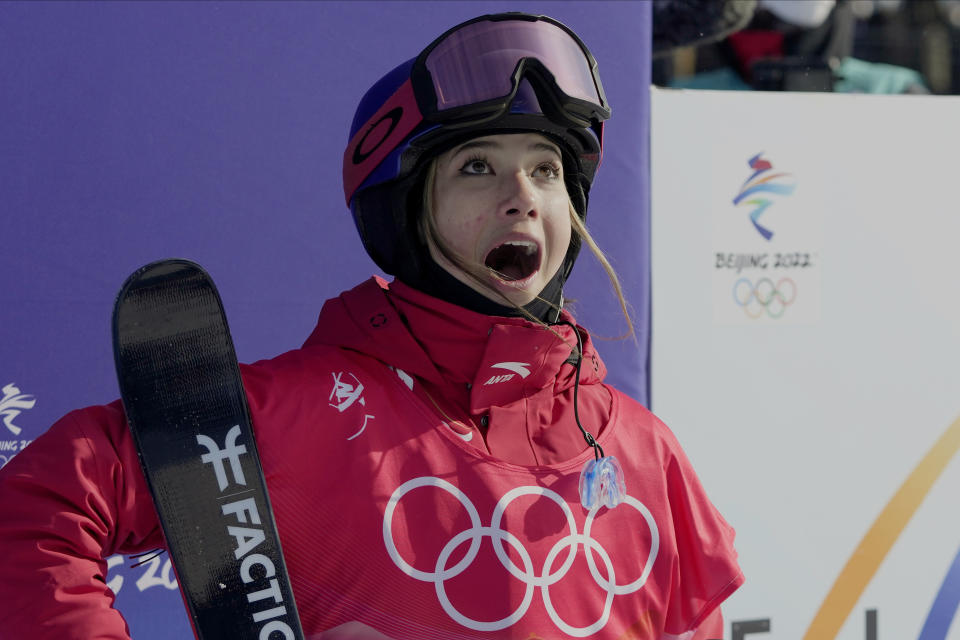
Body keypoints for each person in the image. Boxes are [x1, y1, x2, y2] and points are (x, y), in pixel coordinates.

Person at [0, 12, 743, 640]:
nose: (523, 196)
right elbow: (35, 512)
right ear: (406, 211)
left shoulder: (642, 454)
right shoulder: (294, 415)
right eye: (477, 168)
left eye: (546, 169)